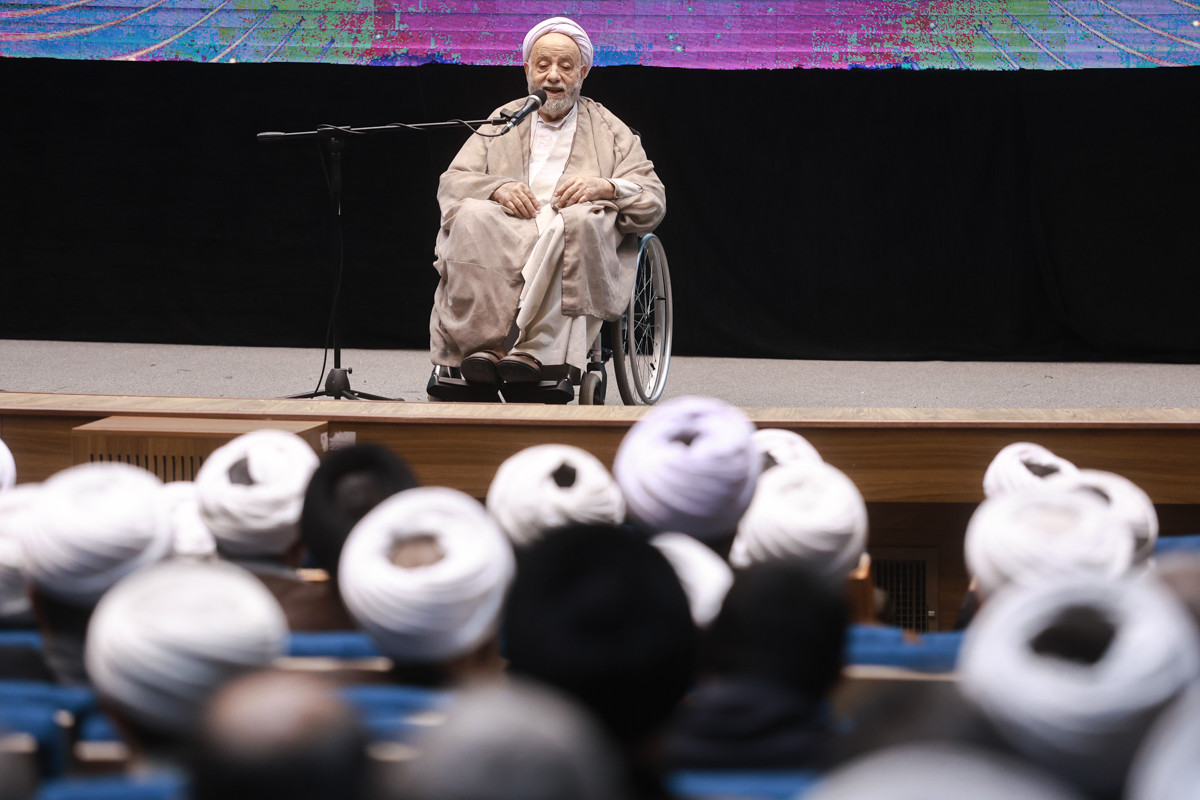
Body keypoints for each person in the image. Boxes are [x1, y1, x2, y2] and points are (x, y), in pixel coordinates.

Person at [428, 16, 666, 396]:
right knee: (472, 216)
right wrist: (497, 188)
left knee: (578, 222)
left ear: (582, 73)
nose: (553, 76)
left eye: (565, 66)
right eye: (543, 65)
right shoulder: (503, 120)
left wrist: (604, 187)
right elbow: (453, 182)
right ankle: (482, 351)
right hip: (507, 225)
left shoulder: (610, 129)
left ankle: (538, 353)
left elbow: (651, 197)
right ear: (527, 70)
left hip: (569, 229)